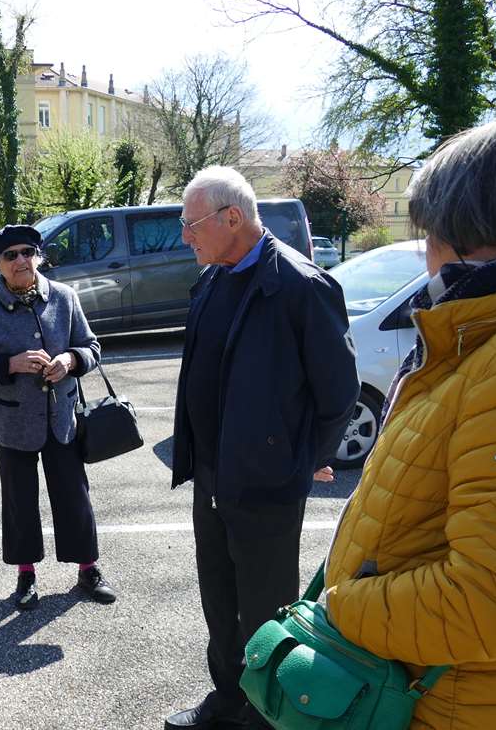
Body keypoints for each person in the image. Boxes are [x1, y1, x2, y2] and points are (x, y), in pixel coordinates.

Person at [324, 113, 496, 728]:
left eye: (432, 229)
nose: (426, 249)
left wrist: (342, 607)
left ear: (479, 231)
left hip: (462, 705)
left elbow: (495, 601)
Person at [164, 167, 358, 730]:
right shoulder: (214, 277)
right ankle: (227, 697)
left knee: (267, 607)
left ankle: (264, 711)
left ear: (232, 218)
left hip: (267, 484)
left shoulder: (301, 286)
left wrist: (301, 459)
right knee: (219, 602)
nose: (185, 237)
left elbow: (338, 391)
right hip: (213, 477)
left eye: (191, 223)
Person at [0, 224, 117, 612]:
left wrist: (71, 359)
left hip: (61, 417)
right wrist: (9, 364)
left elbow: (92, 347)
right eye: (10, 255)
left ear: (39, 256)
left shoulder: (63, 298)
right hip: (13, 422)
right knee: (19, 500)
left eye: (27, 252)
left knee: (74, 495)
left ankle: (88, 569)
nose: (20, 261)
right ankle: (26, 574)